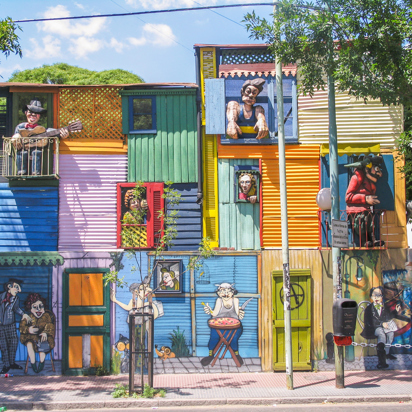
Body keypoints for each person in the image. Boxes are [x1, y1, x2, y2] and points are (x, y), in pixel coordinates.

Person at [11, 99, 69, 176]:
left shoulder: (41, 129)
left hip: (35, 150)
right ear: (26, 113)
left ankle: (36, 172)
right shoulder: (21, 126)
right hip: (23, 150)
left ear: (39, 116)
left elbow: (51, 132)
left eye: (37, 113)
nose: (33, 115)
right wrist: (15, 137)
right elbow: (15, 135)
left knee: (37, 152)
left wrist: (63, 133)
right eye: (30, 112)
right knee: (22, 153)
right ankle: (21, 171)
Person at [201, 283, 245, 367]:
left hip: (234, 326)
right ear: (219, 293)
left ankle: (236, 354)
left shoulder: (235, 300)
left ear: (232, 292)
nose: (226, 294)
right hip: (218, 326)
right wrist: (209, 310)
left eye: (228, 291)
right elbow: (214, 314)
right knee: (214, 337)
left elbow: (237, 314)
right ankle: (211, 355)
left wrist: (241, 313)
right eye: (223, 291)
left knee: (233, 338)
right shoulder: (219, 301)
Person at [345, 155, 384, 247]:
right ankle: (363, 241)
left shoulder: (370, 182)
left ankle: (373, 239)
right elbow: (348, 197)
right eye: (376, 169)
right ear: (367, 169)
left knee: (371, 223)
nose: (379, 174)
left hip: (366, 209)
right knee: (361, 224)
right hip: (356, 211)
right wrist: (365, 198)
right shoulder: (356, 178)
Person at [361, 286, 401, 369]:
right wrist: (381, 324)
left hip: (383, 326)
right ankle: (382, 361)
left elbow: (388, 317)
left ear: (382, 296)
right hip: (374, 328)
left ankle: (386, 353)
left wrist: (395, 311)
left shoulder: (384, 306)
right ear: (371, 296)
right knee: (381, 335)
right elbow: (369, 322)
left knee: (390, 333)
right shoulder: (369, 309)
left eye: (379, 295)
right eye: (374, 295)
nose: (376, 297)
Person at [0, 278, 32, 374]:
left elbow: (16, 308)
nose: (19, 290)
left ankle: (12, 362)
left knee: (13, 343)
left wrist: (23, 314)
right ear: (9, 287)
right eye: (16, 287)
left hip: (11, 325)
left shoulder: (16, 299)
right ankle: (6, 365)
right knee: (4, 346)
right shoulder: (1, 297)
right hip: (1, 326)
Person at [19, 293, 55, 373]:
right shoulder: (29, 317)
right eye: (35, 307)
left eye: (41, 307)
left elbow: (50, 325)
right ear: (30, 308)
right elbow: (21, 327)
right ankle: (33, 363)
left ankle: (41, 363)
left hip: (43, 338)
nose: (38, 309)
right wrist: (28, 330)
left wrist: (45, 332)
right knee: (29, 345)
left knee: (43, 346)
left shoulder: (46, 316)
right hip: (31, 338)